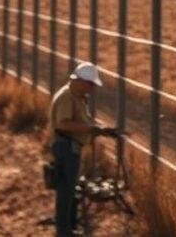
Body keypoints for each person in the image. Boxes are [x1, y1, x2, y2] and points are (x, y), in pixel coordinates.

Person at [48, 62, 112, 237]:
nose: (91, 88)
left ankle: (68, 228)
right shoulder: (68, 96)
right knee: (66, 190)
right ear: (81, 80)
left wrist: (99, 128)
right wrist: (92, 129)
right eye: (90, 84)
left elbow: (82, 120)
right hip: (65, 147)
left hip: (70, 147)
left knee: (69, 189)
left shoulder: (76, 96)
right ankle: (64, 231)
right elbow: (63, 124)